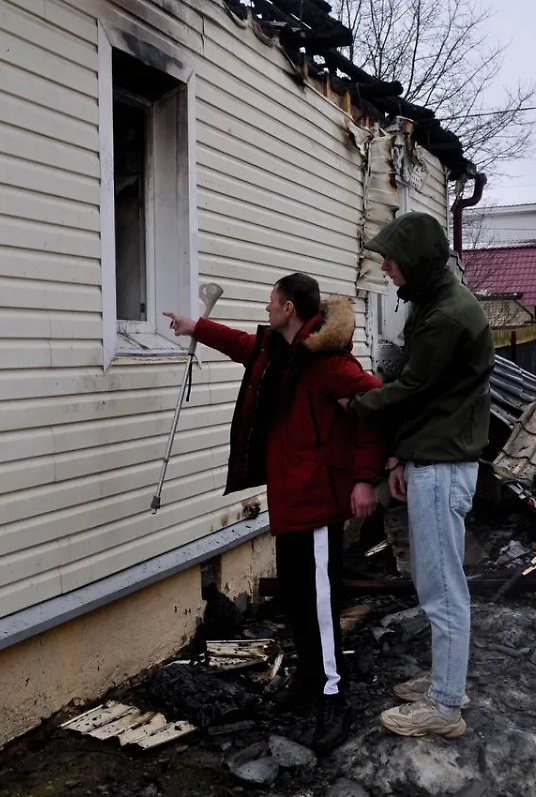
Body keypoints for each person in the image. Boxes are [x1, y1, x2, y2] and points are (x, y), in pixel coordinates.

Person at [164, 273, 385, 752]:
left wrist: (366, 477)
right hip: (287, 503)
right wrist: (195, 326)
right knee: (296, 601)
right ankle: (308, 679)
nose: (266, 308)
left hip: (320, 504)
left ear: (288, 308)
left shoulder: (329, 364)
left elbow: (376, 408)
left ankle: (333, 696)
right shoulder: (276, 352)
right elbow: (242, 345)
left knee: (322, 607)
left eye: (271, 302)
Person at [344, 212, 494, 739]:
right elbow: (432, 396)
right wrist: (401, 457)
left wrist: (355, 403)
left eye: (391, 259)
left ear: (416, 262)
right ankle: (445, 682)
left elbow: (412, 389)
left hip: (444, 464)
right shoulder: (435, 303)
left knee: (442, 589)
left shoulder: (446, 316)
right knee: (438, 582)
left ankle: (445, 707)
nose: (384, 267)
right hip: (435, 455)